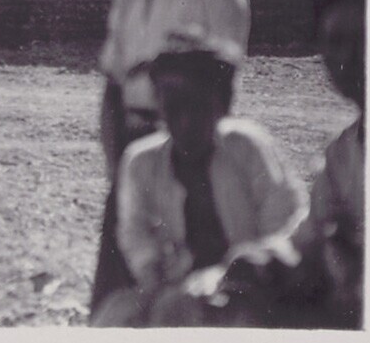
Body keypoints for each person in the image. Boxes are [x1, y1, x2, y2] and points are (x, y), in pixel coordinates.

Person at [89, 0, 251, 316]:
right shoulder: (128, 0)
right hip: (133, 158)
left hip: (190, 158)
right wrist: (118, 169)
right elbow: (114, 90)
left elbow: (222, 97)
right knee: (118, 303)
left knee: (190, 298)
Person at [92, 42, 305, 327]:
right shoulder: (141, 162)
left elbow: (284, 218)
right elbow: (135, 232)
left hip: (253, 284)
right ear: (158, 104)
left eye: (198, 107)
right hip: (176, 288)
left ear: (220, 104)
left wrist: (247, 268)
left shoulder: (247, 147)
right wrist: (153, 277)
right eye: (173, 107)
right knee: (113, 318)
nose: (186, 122)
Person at [210, 0, 365, 329]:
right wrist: (262, 260)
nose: (353, 55)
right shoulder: (342, 154)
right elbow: (309, 239)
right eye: (336, 41)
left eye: (364, 37)